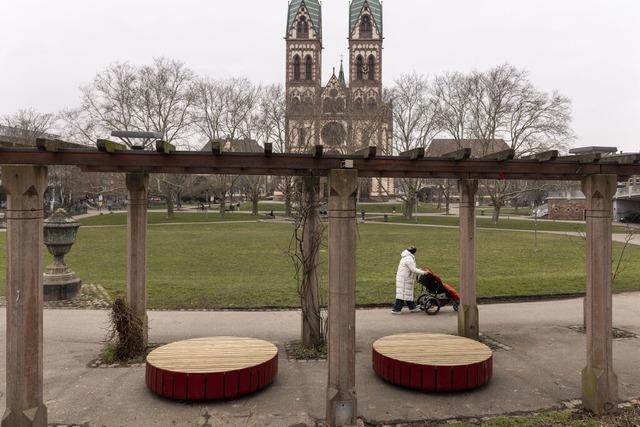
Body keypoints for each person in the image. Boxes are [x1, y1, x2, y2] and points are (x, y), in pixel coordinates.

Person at [392, 246, 427, 314]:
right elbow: (413, 269)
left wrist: (419, 270)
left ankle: (412, 307)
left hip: (404, 277)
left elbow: (411, 268)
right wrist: (423, 273)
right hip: (405, 279)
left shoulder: (407, 256)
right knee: (402, 294)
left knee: (407, 293)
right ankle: (396, 309)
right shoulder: (408, 258)